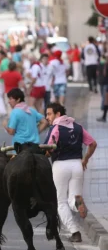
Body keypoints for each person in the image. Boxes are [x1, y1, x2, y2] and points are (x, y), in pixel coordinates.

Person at [45, 103, 97, 242]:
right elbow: (93, 143)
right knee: (73, 197)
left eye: (49, 114)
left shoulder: (55, 128)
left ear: (57, 114)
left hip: (60, 165)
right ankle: (78, 203)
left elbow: (47, 149)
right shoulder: (78, 127)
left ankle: (75, 232)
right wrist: (85, 159)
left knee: (61, 201)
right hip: (77, 165)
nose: (47, 117)